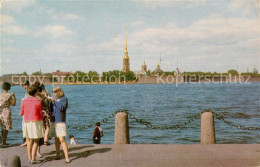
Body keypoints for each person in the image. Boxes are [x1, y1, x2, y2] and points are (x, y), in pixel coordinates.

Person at [20, 86, 44, 164]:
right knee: (36, 140)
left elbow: (21, 113)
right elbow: (40, 112)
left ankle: (29, 157)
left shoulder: (24, 101)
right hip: (36, 121)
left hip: (27, 122)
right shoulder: (38, 101)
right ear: (35, 92)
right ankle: (33, 158)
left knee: (29, 140)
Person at [52, 86, 70, 163]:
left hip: (60, 122)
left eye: (55, 93)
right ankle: (58, 154)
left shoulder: (64, 99)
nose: (54, 95)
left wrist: (55, 101)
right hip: (54, 121)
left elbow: (62, 108)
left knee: (62, 139)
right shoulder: (56, 100)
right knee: (56, 139)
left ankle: (67, 157)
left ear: (59, 92)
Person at [20, 80, 30, 146]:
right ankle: (26, 140)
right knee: (25, 126)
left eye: (25, 85)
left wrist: (23, 100)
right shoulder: (27, 92)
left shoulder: (29, 92)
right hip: (27, 111)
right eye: (23, 86)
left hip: (28, 111)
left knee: (26, 126)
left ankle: (26, 140)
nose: (24, 87)